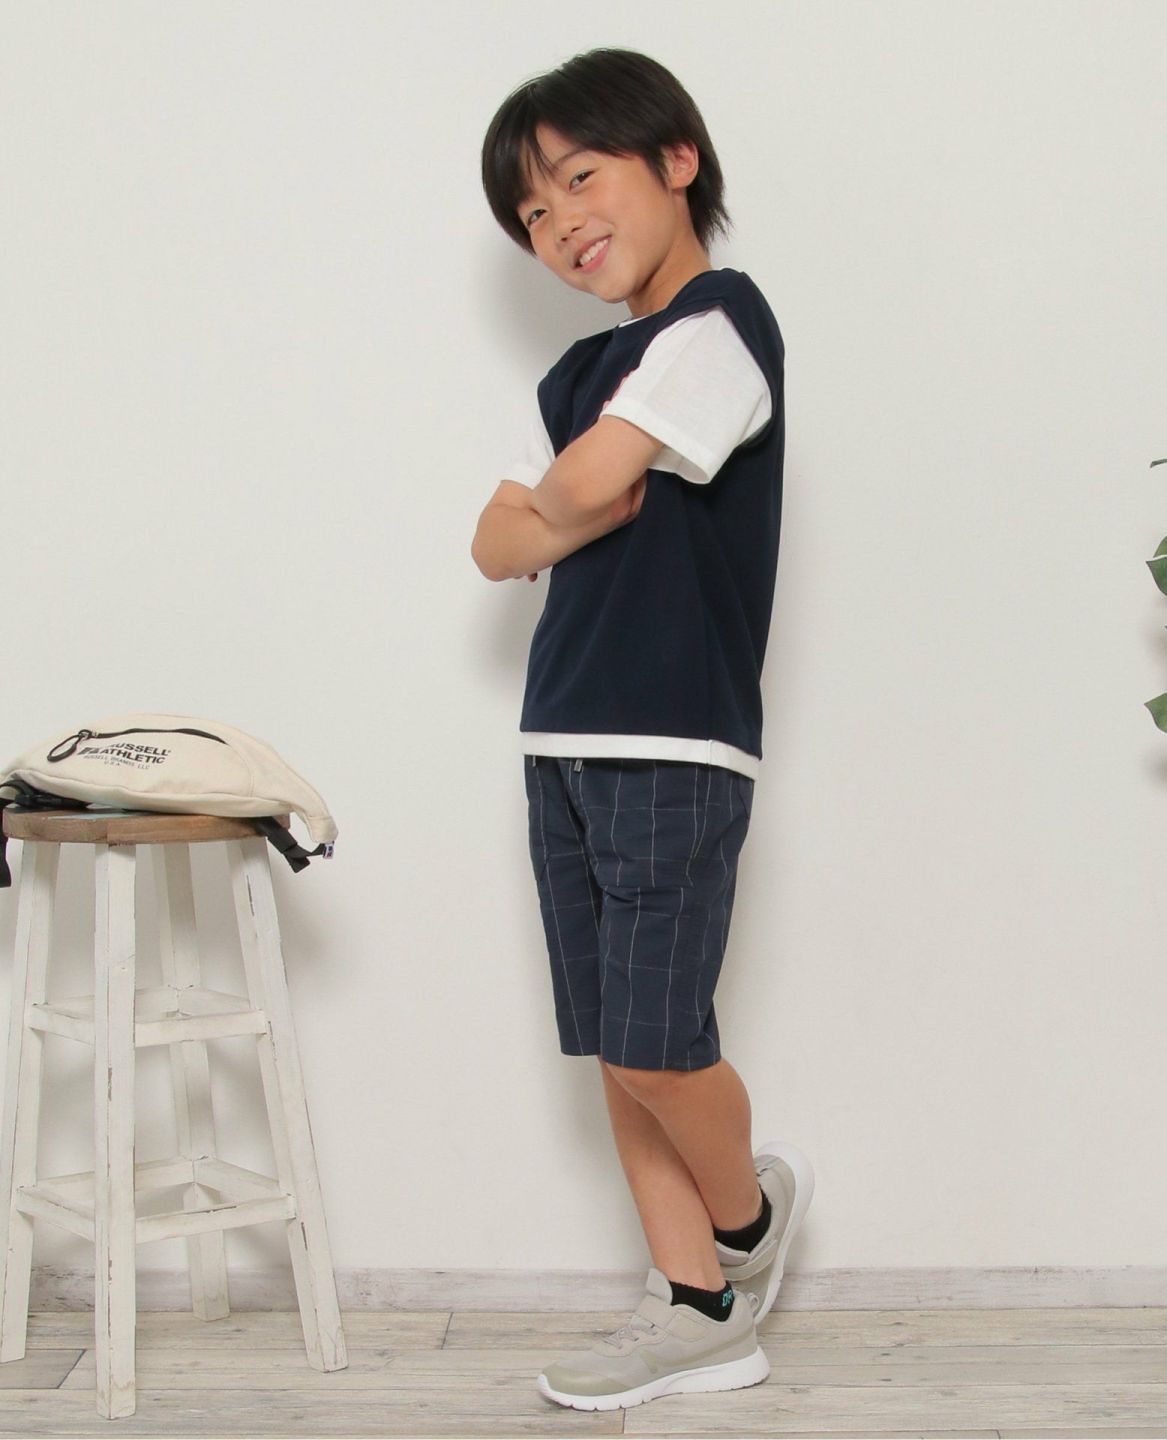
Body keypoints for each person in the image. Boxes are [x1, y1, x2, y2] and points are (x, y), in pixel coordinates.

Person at [474, 46, 815, 1413]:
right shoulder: (582, 369)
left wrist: (560, 502)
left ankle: (745, 1224)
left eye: (578, 178)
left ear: (677, 160)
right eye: (533, 213)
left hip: (675, 739)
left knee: (652, 1043)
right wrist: (560, 506)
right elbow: (499, 541)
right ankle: (696, 1308)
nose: (560, 223)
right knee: (614, 1044)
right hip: (560, 732)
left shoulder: (725, 324)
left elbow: (572, 491)